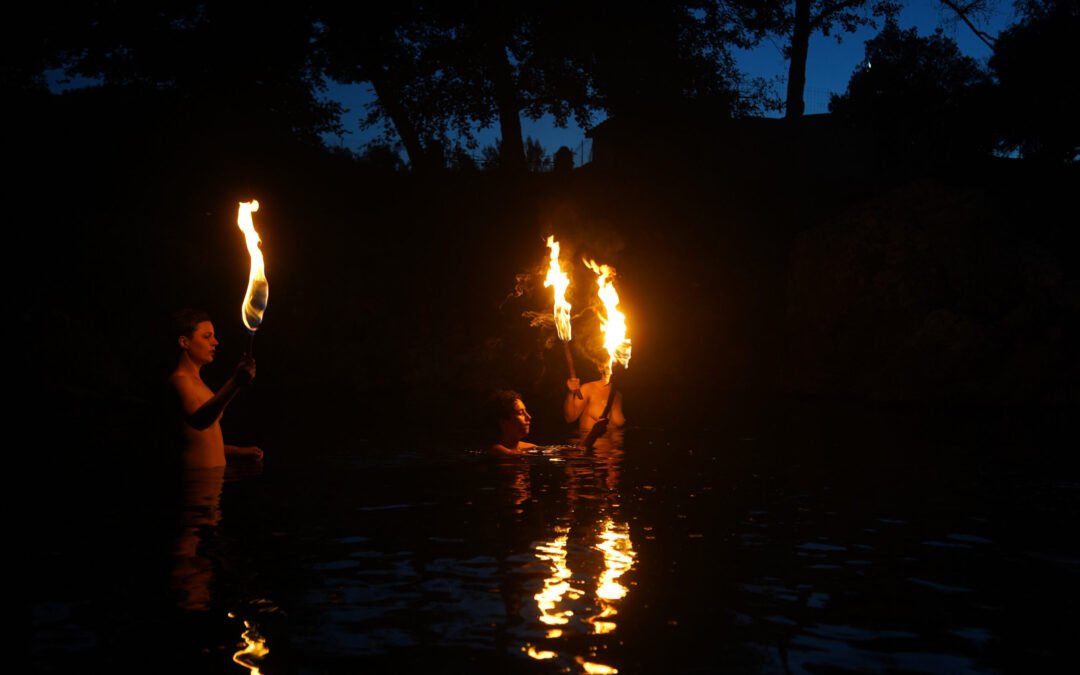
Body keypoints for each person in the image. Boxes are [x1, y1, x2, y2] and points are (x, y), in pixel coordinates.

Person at [169, 308, 264, 469]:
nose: (215, 342)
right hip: (194, 485)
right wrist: (235, 383)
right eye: (207, 336)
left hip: (214, 483)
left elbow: (203, 440)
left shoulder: (200, 384)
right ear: (184, 342)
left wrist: (239, 452)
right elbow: (199, 421)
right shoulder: (179, 381)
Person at [563, 377, 625, 445]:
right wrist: (571, 393)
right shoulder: (588, 388)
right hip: (591, 453)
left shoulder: (618, 395)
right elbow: (570, 418)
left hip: (613, 454)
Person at [485, 389, 537, 455]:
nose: (529, 417)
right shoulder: (496, 450)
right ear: (503, 421)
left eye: (525, 411)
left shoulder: (531, 447)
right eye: (520, 413)